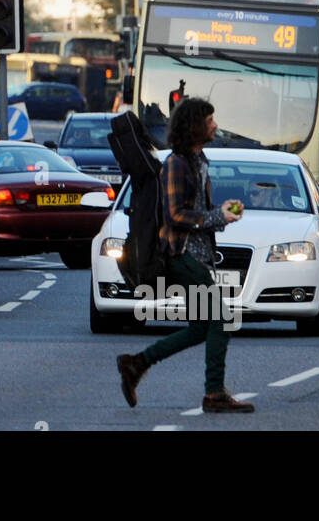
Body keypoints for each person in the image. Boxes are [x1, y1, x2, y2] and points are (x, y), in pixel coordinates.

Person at [116, 98, 253, 413]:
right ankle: (214, 393)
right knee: (220, 317)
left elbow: (198, 210)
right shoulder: (177, 164)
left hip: (197, 255)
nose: (216, 125)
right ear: (195, 127)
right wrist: (218, 216)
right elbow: (175, 214)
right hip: (181, 255)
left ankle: (136, 364)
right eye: (210, 121)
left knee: (201, 327)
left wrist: (222, 211)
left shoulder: (198, 159)